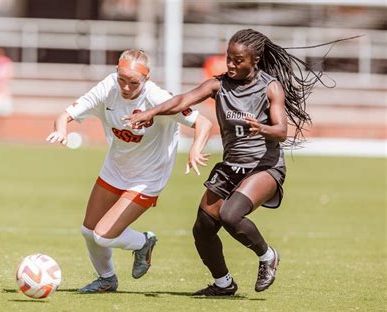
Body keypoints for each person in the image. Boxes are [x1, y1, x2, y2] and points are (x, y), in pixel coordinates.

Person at [124, 29, 341, 296]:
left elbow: (282, 131)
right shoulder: (218, 85)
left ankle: (267, 255)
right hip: (232, 167)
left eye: (238, 60)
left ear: (255, 60)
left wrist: (262, 128)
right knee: (202, 230)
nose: (231, 65)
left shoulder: (270, 87)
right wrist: (152, 112)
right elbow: (182, 100)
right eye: (229, 58)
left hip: (265, 167)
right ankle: (223, 284)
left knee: (230, 214)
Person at [46, 49, 212, 293]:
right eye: (121, 78)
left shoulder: (157, 97)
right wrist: (61, 130)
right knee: (88, 231)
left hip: (148, 178)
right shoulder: (107, 88)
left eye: (133, 82)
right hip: (115, 169)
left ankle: (144, 242)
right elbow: (65, 115)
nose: (125, 86)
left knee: (103, 236)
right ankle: (106, 279)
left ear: (146, 79)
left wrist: (195, 149)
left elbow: (203, 123)